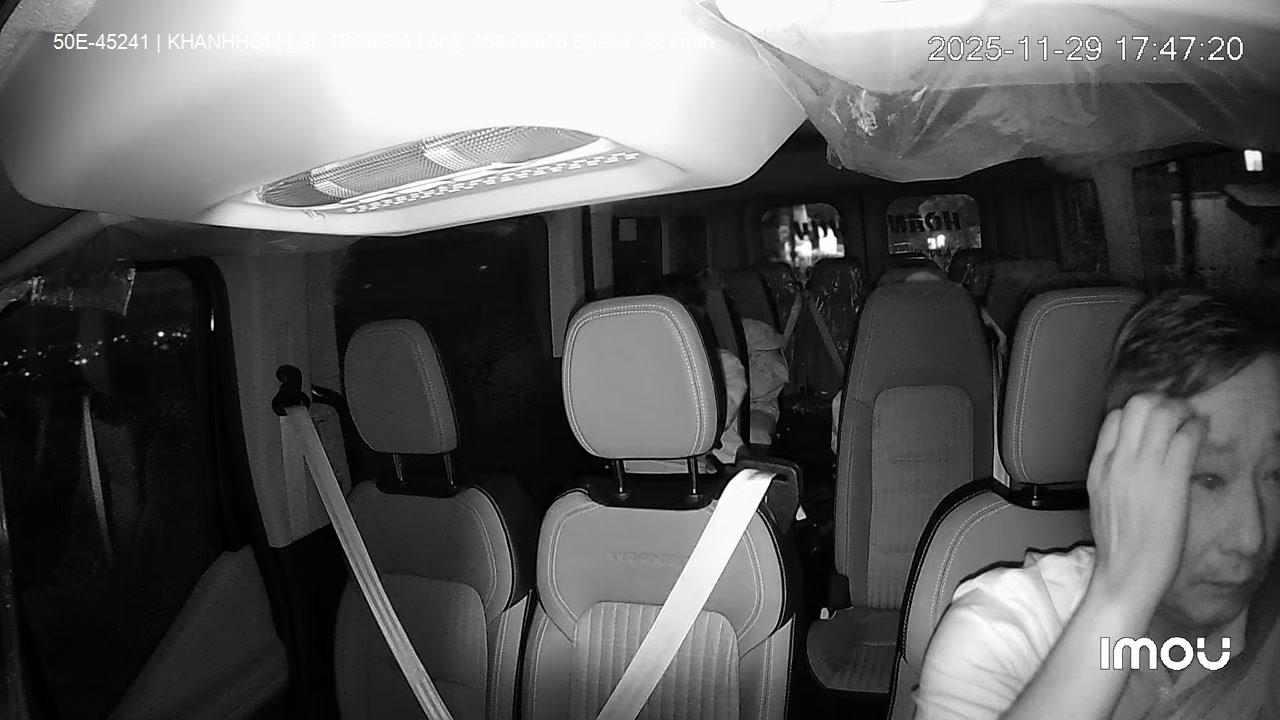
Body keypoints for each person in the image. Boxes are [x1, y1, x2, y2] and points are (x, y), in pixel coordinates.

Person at [913, 290, 1280, 720]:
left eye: (1278, 476)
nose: (1250, 539)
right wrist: (1122, 594)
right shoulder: (1005, 630)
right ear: (1116, 474)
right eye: (1208, 477)